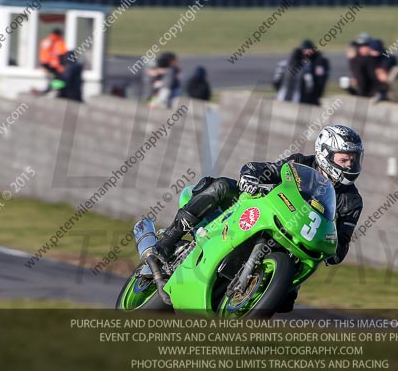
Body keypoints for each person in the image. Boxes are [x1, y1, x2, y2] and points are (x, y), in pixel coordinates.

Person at [153, 125, 365, 312]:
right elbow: (266, 169)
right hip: (271, 215)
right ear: (325, 154)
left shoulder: (352, 201)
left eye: (353, 160)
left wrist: (334, 248)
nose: (349, 165)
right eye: (344, 159)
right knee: (221, 186)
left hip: (297, 246)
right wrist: (251, 176)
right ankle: (169, 238)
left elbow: (342, 243)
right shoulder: (300, 162)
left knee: (285, 301)